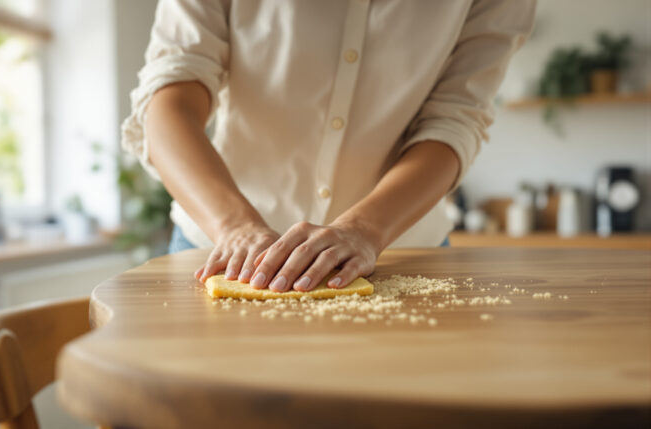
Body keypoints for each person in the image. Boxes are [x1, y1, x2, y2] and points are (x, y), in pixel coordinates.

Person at [122, 0, 535, 293]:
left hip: (399, 253)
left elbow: (455, 120)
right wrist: (236, 227)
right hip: (217, 250)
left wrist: (364, 230)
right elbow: (169, 102)